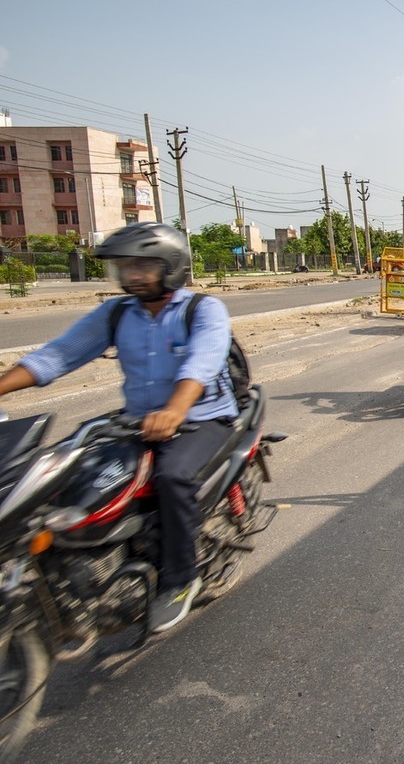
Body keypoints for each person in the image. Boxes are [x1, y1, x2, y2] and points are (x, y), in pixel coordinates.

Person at [0, 222, 238, 633]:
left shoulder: (203, 309)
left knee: (174, 476)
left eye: (143, 266)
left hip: (201, 417)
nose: (132, 275)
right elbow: (57, 356)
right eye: (125, 267)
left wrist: (176, 410)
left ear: (171, 266)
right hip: (137, 421)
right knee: (62, 473)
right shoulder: (116, 313)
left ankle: (180, 579)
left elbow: (201, 363)